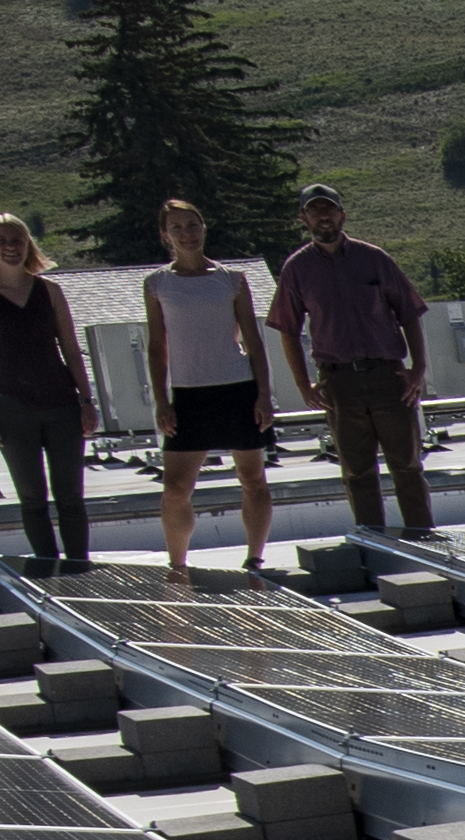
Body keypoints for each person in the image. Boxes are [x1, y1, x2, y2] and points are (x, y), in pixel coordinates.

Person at [271, 183, 439, 543]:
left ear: (342, 215)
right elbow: (287, 329)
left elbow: (409, 312)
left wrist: (418, 368)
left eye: (328, 209)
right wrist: (303, 384)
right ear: (304, 219)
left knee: (407, 465)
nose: (323, 216)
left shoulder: (374, 258)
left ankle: (424, 542)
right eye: (314, 211)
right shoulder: (297, 269)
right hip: (339, 382)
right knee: (357, 471)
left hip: (387, 376)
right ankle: (374, 544)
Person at [141, 197, 280, 571]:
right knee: (175, 489)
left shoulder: (231, 280)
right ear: (165, 235)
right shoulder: (157, 284)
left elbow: (253, 340)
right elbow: (157, 346)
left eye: (192, 225)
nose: (186, 234)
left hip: (237, 387)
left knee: (252, 479)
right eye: (177, 228)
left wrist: (264, 394)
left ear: (203, 228)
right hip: (188, 394)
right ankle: (178, 564)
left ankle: (254, 557)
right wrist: (161, 400)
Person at [0, 213, 96, 571]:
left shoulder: (49, 290)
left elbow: (70, 346)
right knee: (32, 497)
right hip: (11, 408)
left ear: (28, 244)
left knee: (70, 497)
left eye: (16, 239)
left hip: (61, 403)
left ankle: (80, 567)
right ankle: (48, 568)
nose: (10, 247)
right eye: (1, 240)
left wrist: (87, 399)